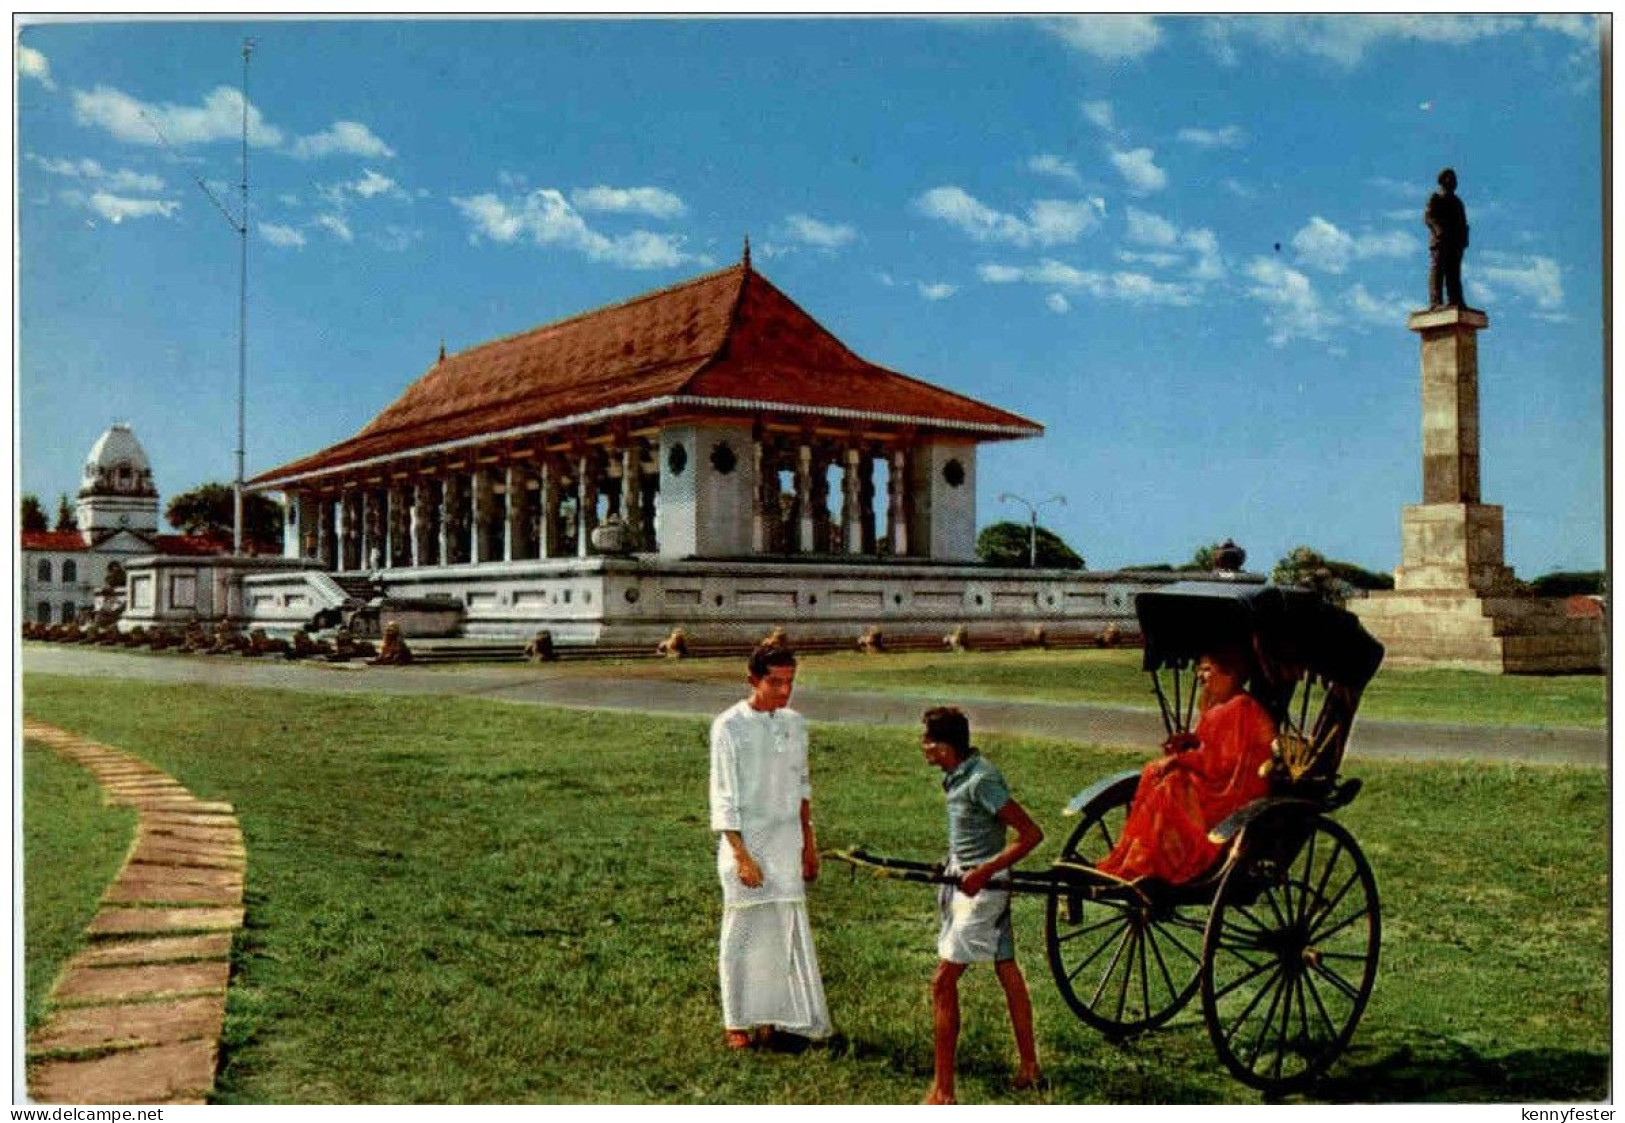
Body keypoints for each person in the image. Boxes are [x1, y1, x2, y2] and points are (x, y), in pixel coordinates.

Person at [709, 640, 831, 1050]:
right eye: (774, 682)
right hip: (746, 844)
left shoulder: (795, 723)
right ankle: (736, 1021)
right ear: (753, 680)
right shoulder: (728, 725)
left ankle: (773, 1017)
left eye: (790, 682)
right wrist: (741, 856)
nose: (783, 691)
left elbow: (802, 788)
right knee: (742, 931)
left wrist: (808, 846)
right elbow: (722, 797)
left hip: (786, 845)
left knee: (780, 933)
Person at [920, 706, 1043, 1105]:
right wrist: (954, 863)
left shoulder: (982, 779)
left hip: (983, 891)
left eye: (928, 741)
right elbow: (972, 833)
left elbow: (1029, 835)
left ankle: (944, 1092)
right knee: (1006, 968)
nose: (923, 747)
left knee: (942, 982)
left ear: (945, 746)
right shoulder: (957, 775)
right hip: (967, 881)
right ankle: (1030, 1067)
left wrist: (983, 872)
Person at [1096, 646, 1277, 885]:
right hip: (1215, 780)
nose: (1200, 676)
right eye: (1199, 670)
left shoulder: (1241, 708)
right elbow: (1208, 744)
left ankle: (1159, 863)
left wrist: (1178, 760)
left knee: (1171, 785)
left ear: (1229, 673)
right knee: (1155, 773)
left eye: (1206, 670)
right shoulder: (1221, 705)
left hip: (1232, 792)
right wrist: (1188, 742)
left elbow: (1220, 763)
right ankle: (1141, 859)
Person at [1425, 166, 1470, 309]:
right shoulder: (1436, 198)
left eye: (1455, 179)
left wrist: (1464, 239)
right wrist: (1438, 230)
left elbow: (1463, 223)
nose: (1454, 181)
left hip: (1455, 243)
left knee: (1454, 272)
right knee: (1438, 271)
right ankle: (1435, 302)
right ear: (1443, 180)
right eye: (1450, 178)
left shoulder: (1457, 203)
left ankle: (1456, 299)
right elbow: (1428, 217)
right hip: (1440, 241)